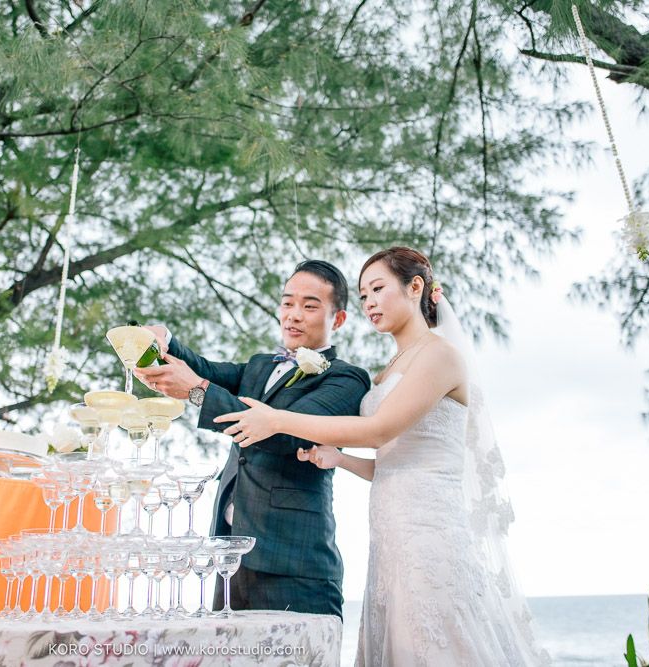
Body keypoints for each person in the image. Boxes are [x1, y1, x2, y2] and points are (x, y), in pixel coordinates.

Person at [215, 247, 550, 665]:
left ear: (415, 287)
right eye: (363, 296)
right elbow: (394, 463)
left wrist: (277, 420)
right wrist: (341, 460)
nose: (370, 302)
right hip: (388, 532)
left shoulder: (440, 355)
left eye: (377, 289)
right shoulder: (390, 370)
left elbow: (378, 430)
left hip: (427, 529)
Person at [133, 259, 370, 618]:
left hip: (294, 563)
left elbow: (284, 435)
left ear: (338, 319)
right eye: (287, 303)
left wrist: (196, 391)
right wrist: (164, 340)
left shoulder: (346, 379)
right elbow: (206, 370)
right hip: (230, 555)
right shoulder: (260, 366)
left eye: (309, 306)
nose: (293, 315)